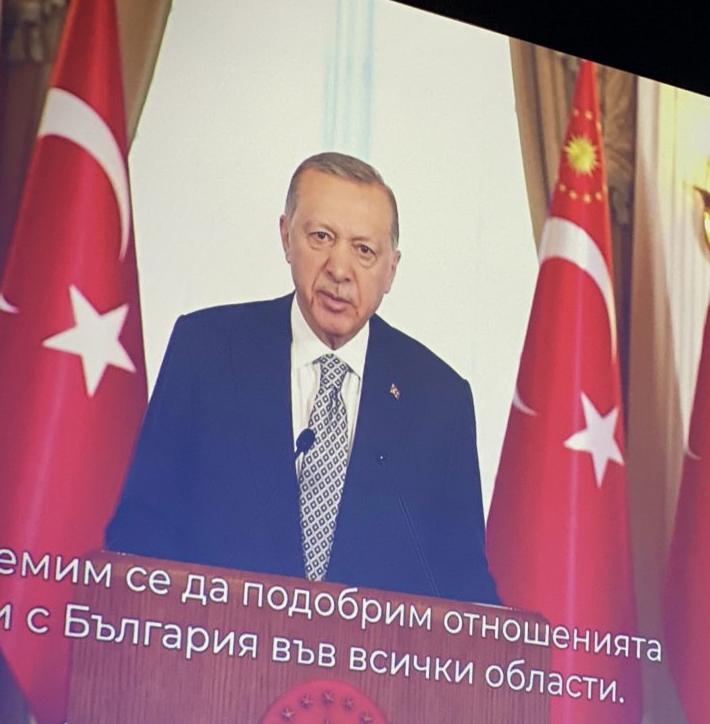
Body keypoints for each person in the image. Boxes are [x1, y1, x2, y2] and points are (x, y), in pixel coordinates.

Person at [105, 153, 499, 604]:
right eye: (321, 237)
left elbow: (461, 579)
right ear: (286, 238)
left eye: (364, 250)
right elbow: (141, 528)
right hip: (216, 657)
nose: (338, 268)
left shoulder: (438, 399)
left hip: (371, 671)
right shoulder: (207, 351)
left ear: (391, 269)